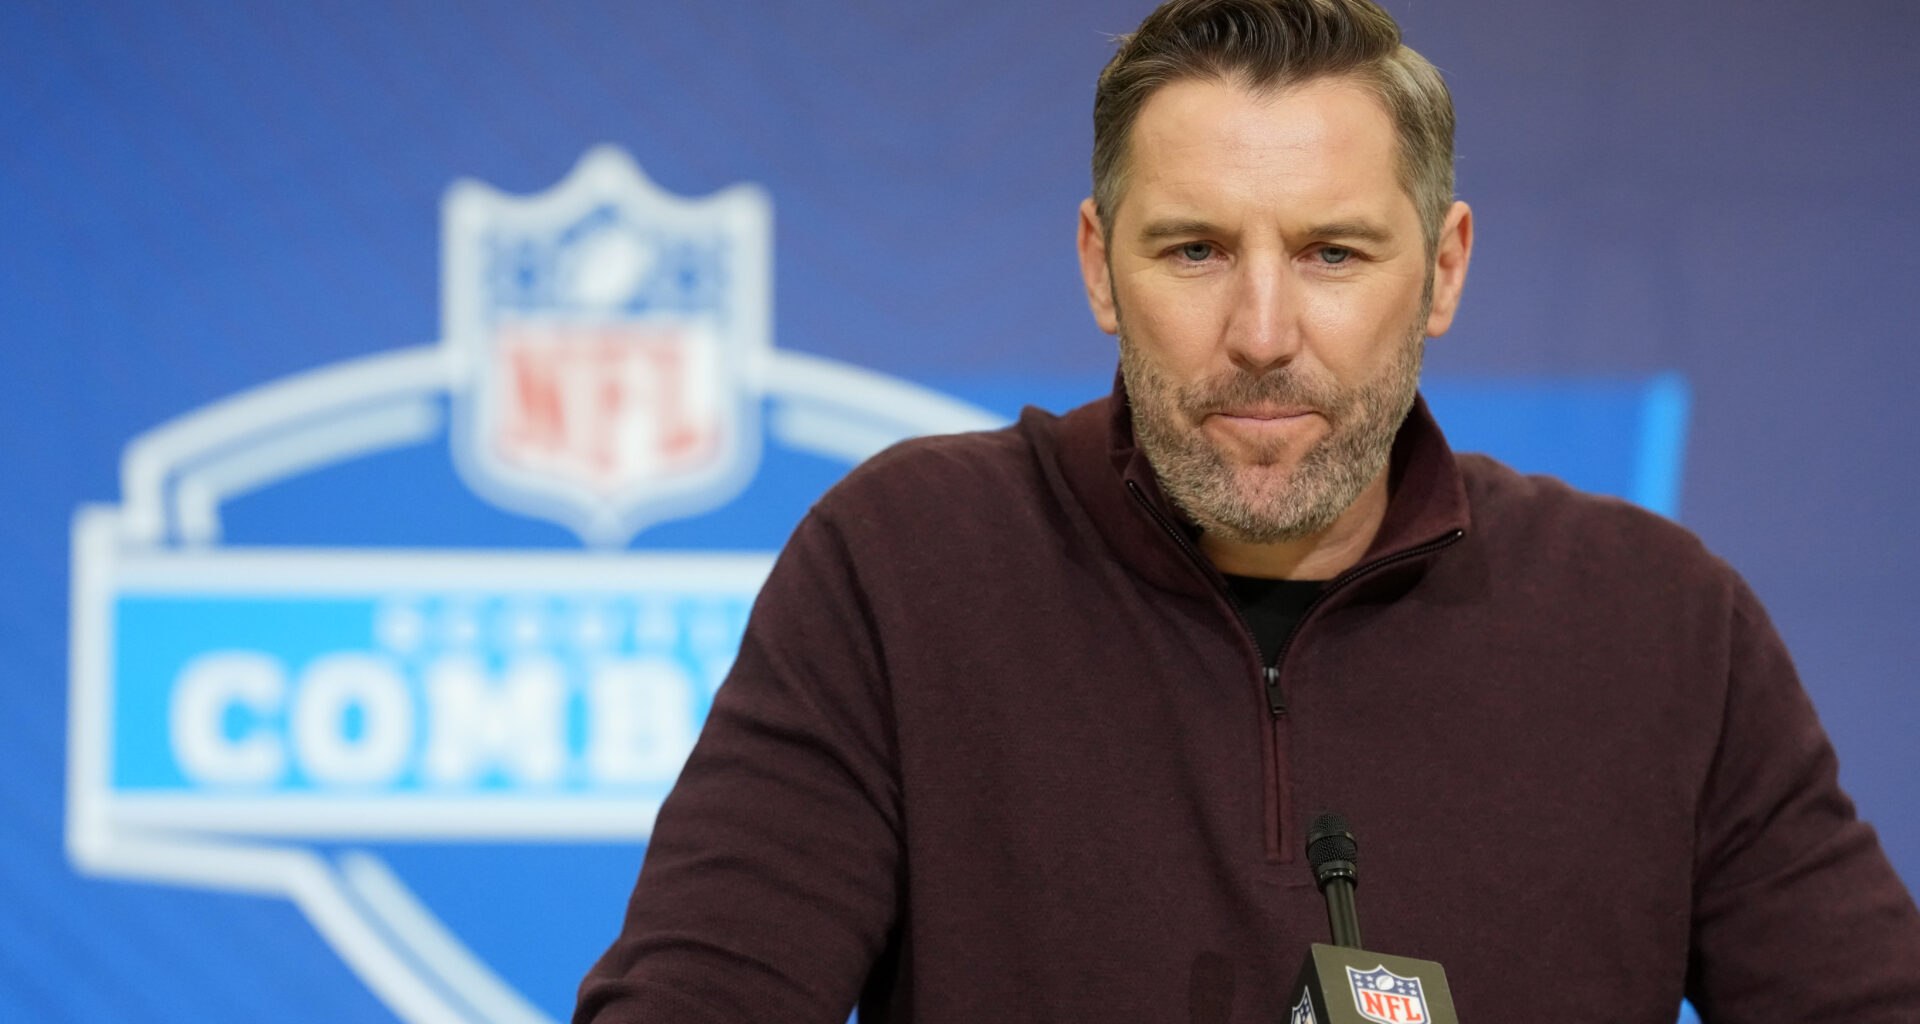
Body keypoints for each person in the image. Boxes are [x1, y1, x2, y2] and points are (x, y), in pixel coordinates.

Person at [575, 1, 1920, 1020]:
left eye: (1334, 253)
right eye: (1196, 250)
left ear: (1444, 269)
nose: (1263, 333)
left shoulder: (1659, 622)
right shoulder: (904, 566)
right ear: (1101, 265)